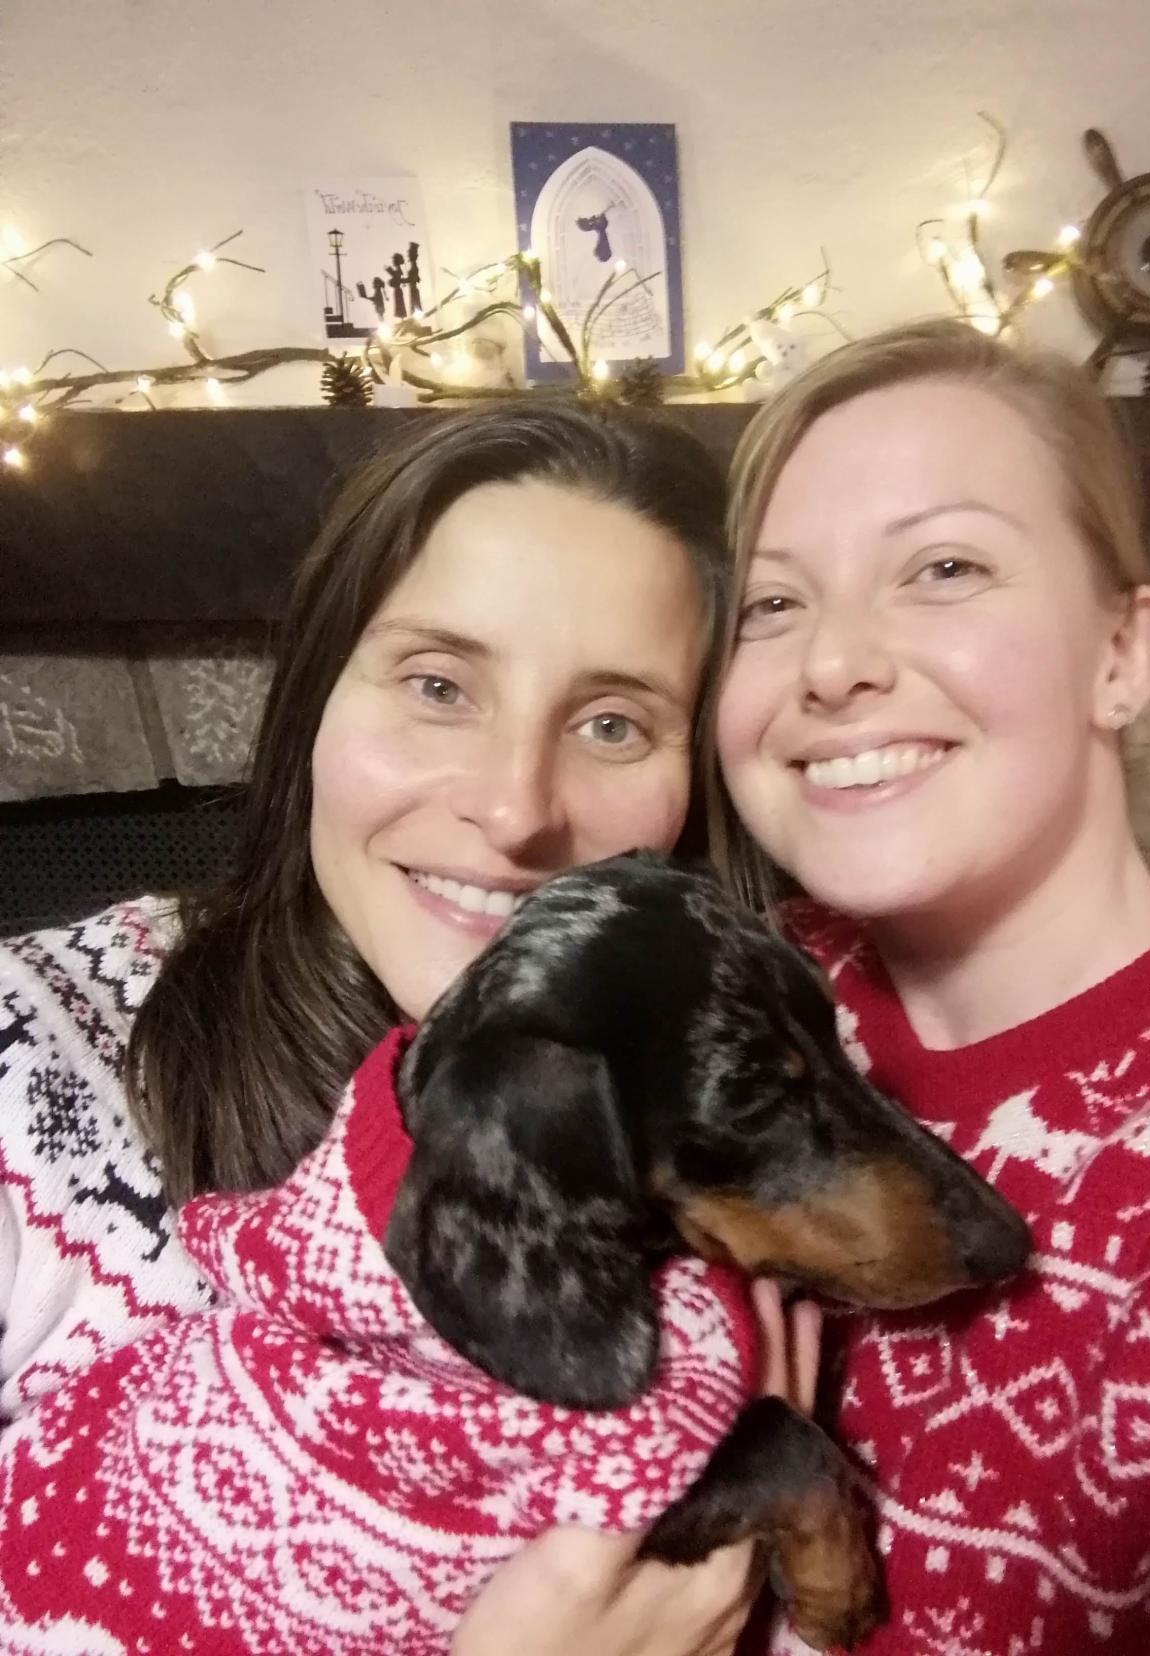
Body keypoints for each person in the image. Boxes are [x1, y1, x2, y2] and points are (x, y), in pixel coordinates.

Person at [0, 400, 816, 1656]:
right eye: (439, 685)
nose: (514, 811)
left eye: (613, 723)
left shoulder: (763, 1144)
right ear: (314, 702)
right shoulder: (27, 1063)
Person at [707, 318, 1150, 1655]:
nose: (830, 664)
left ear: (1121, 654)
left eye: (942, 567)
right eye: (771, 603)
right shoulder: (733, 987)